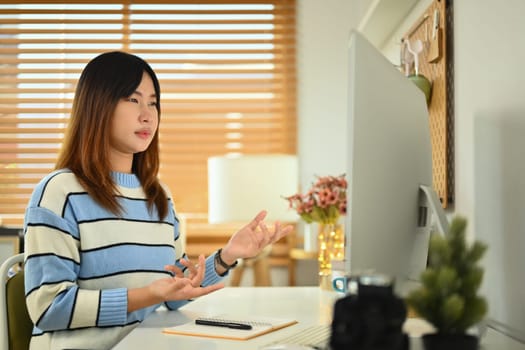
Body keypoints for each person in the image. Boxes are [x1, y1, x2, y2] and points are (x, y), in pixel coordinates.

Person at [23, 51, 292, 350]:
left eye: (153, 102)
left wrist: (228, 255)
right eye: (133, 99)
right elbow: (48, 307)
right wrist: (148, 295)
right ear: (97, 105)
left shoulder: (158, 196)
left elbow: (178, 291)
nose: (147, 114)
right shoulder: (60, 192)